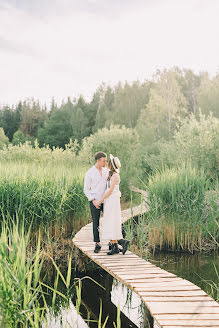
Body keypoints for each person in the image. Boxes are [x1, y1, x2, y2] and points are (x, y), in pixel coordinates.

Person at [96, 154, 130, 255]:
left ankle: (121, 243)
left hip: (112, 201)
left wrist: (100, 200)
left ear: (111, 165)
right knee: (109, 221)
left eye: (108, 163)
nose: (106, 163)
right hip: (109, 201)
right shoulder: (110, 174)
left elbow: (110, 191)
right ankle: (116, 245)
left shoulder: (115, 176)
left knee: (112, 220)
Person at [84, 151, 108, 253]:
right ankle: (97, 243)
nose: (105, 163)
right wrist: (93, 200)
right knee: (96, 222)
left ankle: (112, 242)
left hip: (106, 200)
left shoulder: (106, 171)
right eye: (103, 161)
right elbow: (86, 189)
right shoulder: (90, 173)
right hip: (94, 201)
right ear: (98, 161)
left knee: (109, 220)